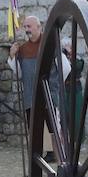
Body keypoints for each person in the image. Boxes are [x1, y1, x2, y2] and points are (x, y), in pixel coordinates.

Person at [10, 16, 70, 161]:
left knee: (54, 129)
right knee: (34, 131)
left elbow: (66, 68)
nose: (27, 30)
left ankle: (61, 159)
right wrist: (13, 55)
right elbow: (18, 72)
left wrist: (54, 85)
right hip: (31, 96)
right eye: (25, 27)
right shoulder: (22, 49)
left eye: (29, 26)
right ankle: (36, 161)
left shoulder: (51, 45)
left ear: (39, 27)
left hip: (49, 95)